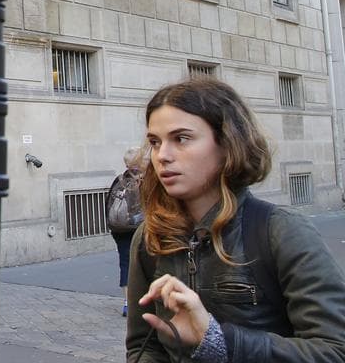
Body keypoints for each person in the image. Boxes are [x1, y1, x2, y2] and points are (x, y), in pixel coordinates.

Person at [126, 78, 345, 361]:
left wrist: (218, 341)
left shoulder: (280, 231)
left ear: (227, 144)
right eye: (155, 142)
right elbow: (143, 347)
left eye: (181, 138)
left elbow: (334, 350)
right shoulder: (150, 238)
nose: (162, 156)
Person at [105, 146, 145, 317]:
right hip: (141, 228)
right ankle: (144, 300)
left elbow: (108, 204)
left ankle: (128, 303)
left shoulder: (119, 180)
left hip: (120, 230)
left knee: (125, 263)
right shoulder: (146, 180)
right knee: (145, 262)